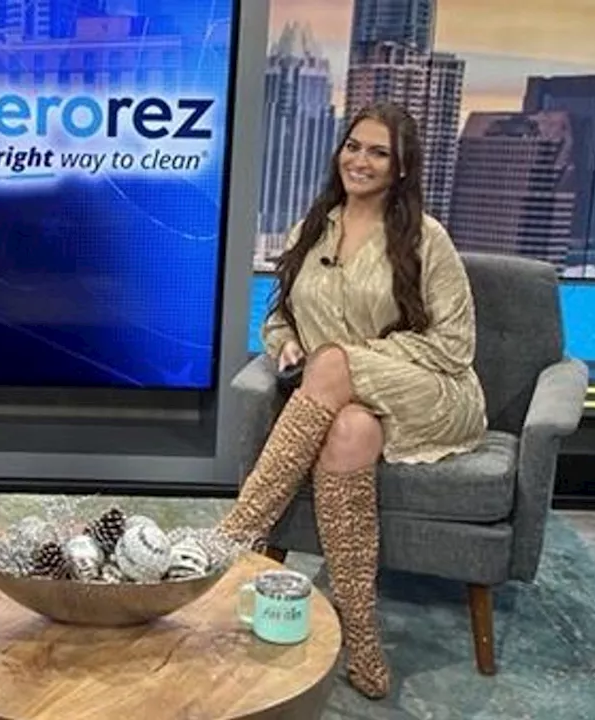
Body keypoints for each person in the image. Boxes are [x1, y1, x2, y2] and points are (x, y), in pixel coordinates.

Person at [217, 102, 487, 699]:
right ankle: (361, 633)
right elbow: (279, 319)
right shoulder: (311, 230)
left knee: (334, 363)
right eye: (353, 146)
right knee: (349, 432)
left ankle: (234, 537)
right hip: (347, 402)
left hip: (433, 392)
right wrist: (288, 345)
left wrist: (352, 360)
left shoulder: (426, 238)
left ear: (402, 167)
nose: (360, 160)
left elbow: (455, 346)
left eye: (378, 152)